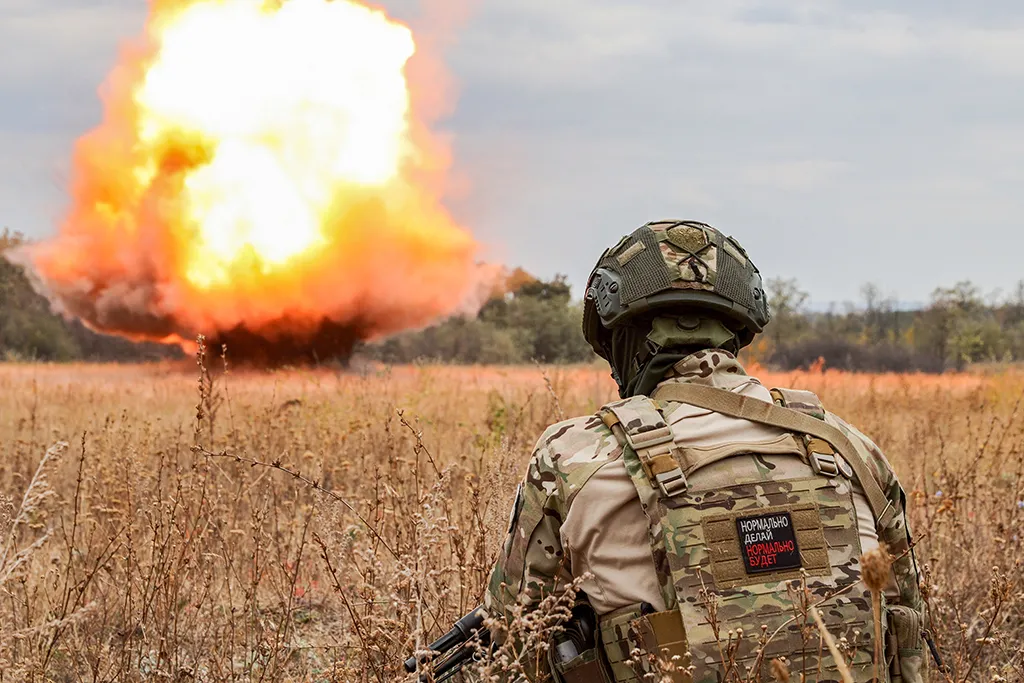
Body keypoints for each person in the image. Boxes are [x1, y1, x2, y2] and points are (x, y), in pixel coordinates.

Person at [482, 220, 928, 683]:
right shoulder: (846, 443)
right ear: (736, 331)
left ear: (622, 342)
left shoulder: (573, 455)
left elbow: (513, 638)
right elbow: (905, 624)